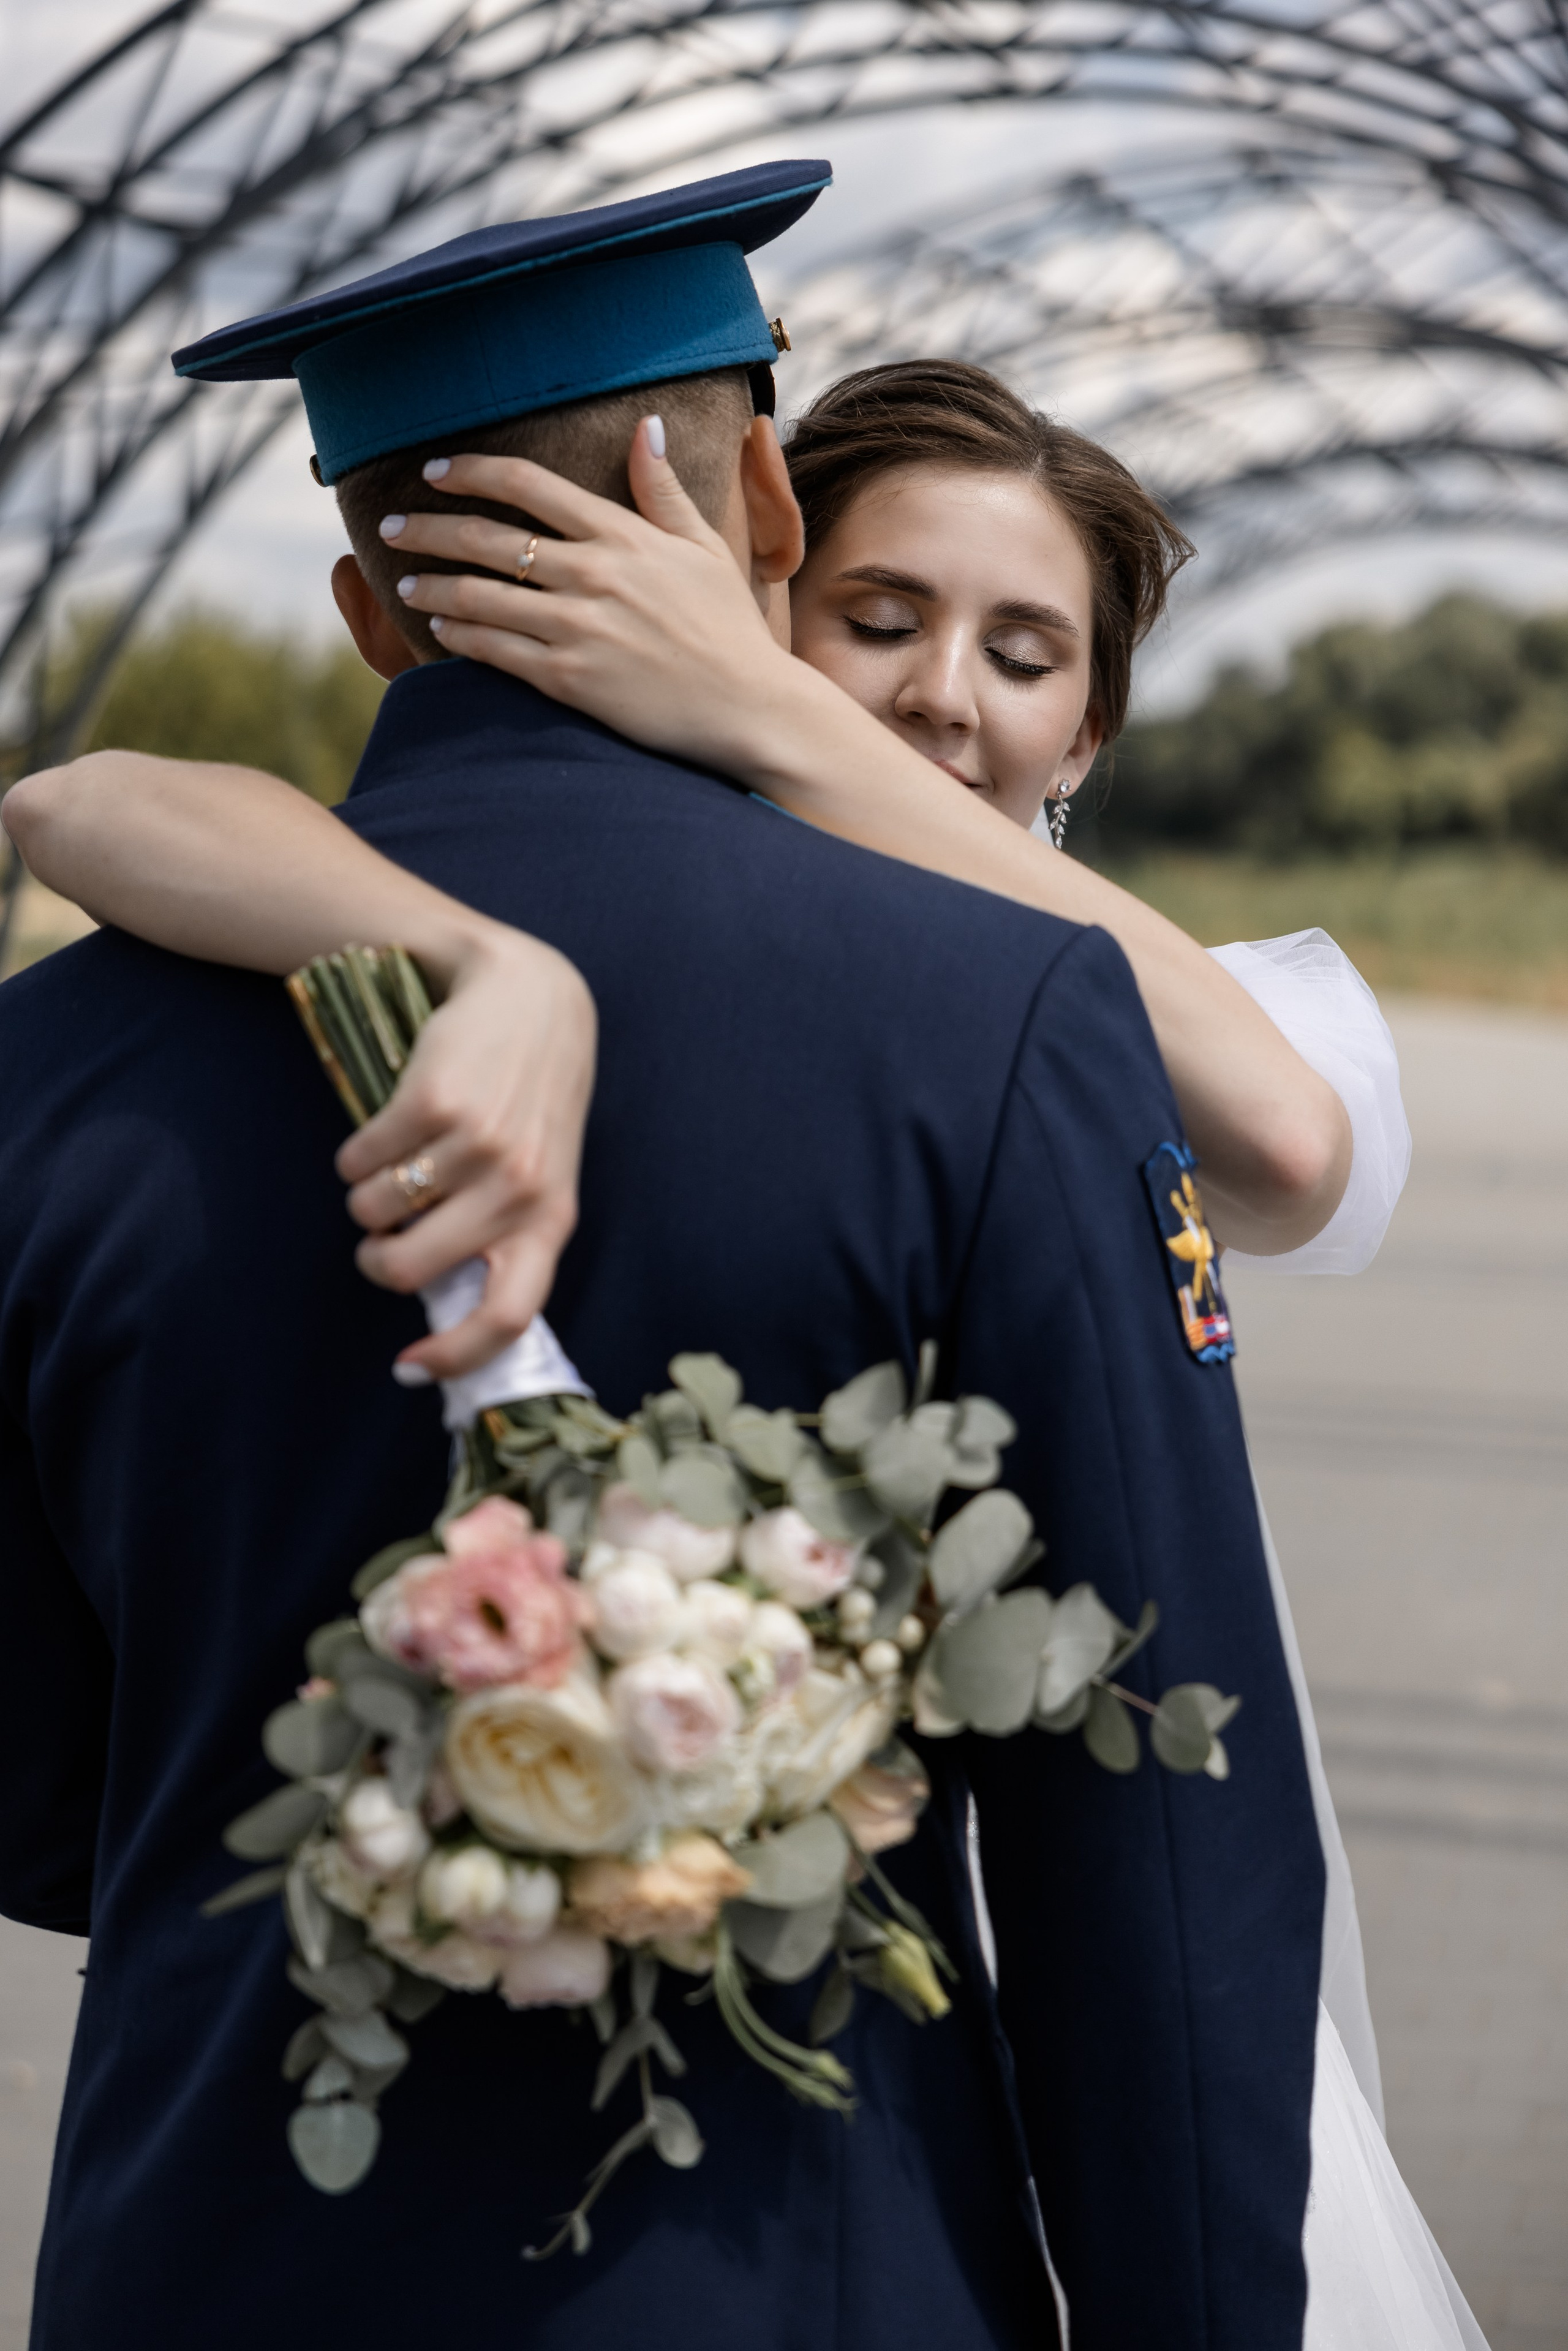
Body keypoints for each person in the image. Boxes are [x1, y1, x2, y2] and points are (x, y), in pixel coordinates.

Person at [0, 160, 1328, 2349]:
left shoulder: (55, 1064)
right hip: (812, 2277)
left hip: (205, 2260)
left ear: (358, 608)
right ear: (774, 534)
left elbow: (46, 1797)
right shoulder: (995, 1019)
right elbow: (1153, 1856)